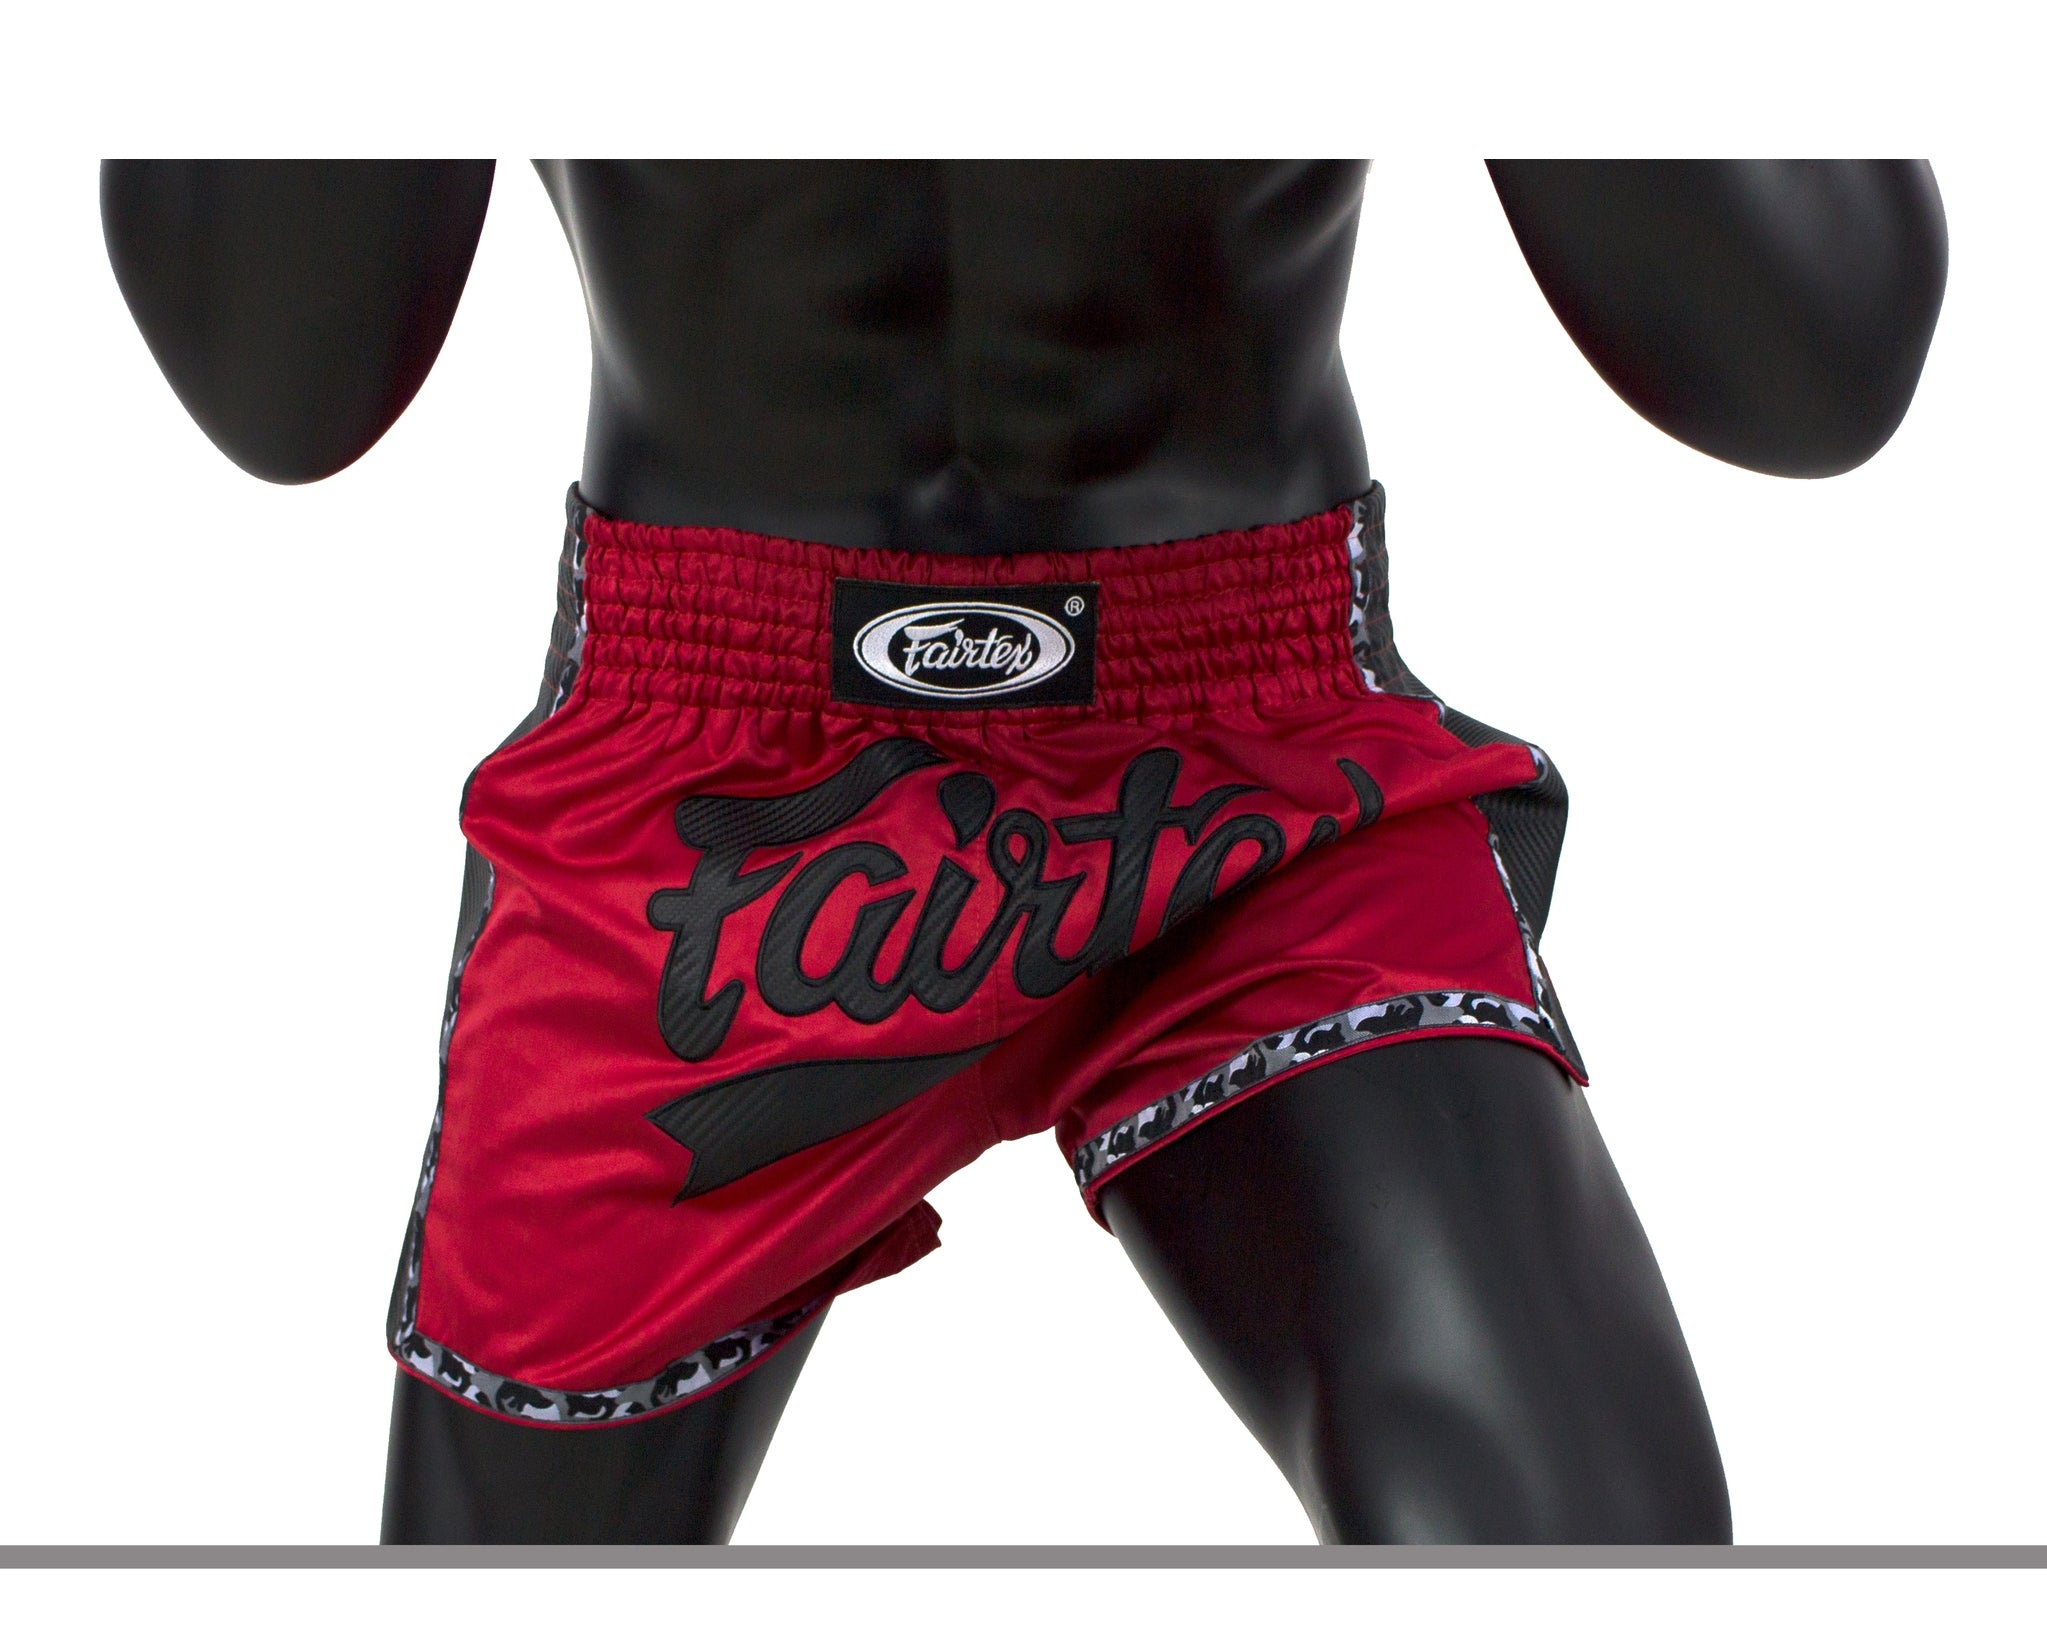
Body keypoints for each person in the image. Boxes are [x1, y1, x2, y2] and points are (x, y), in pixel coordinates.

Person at [102, 160, 1948, 1543]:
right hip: (712, 780)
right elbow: (282, 391)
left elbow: (1819, 365)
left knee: (1592, 1604)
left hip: (1243, 741)